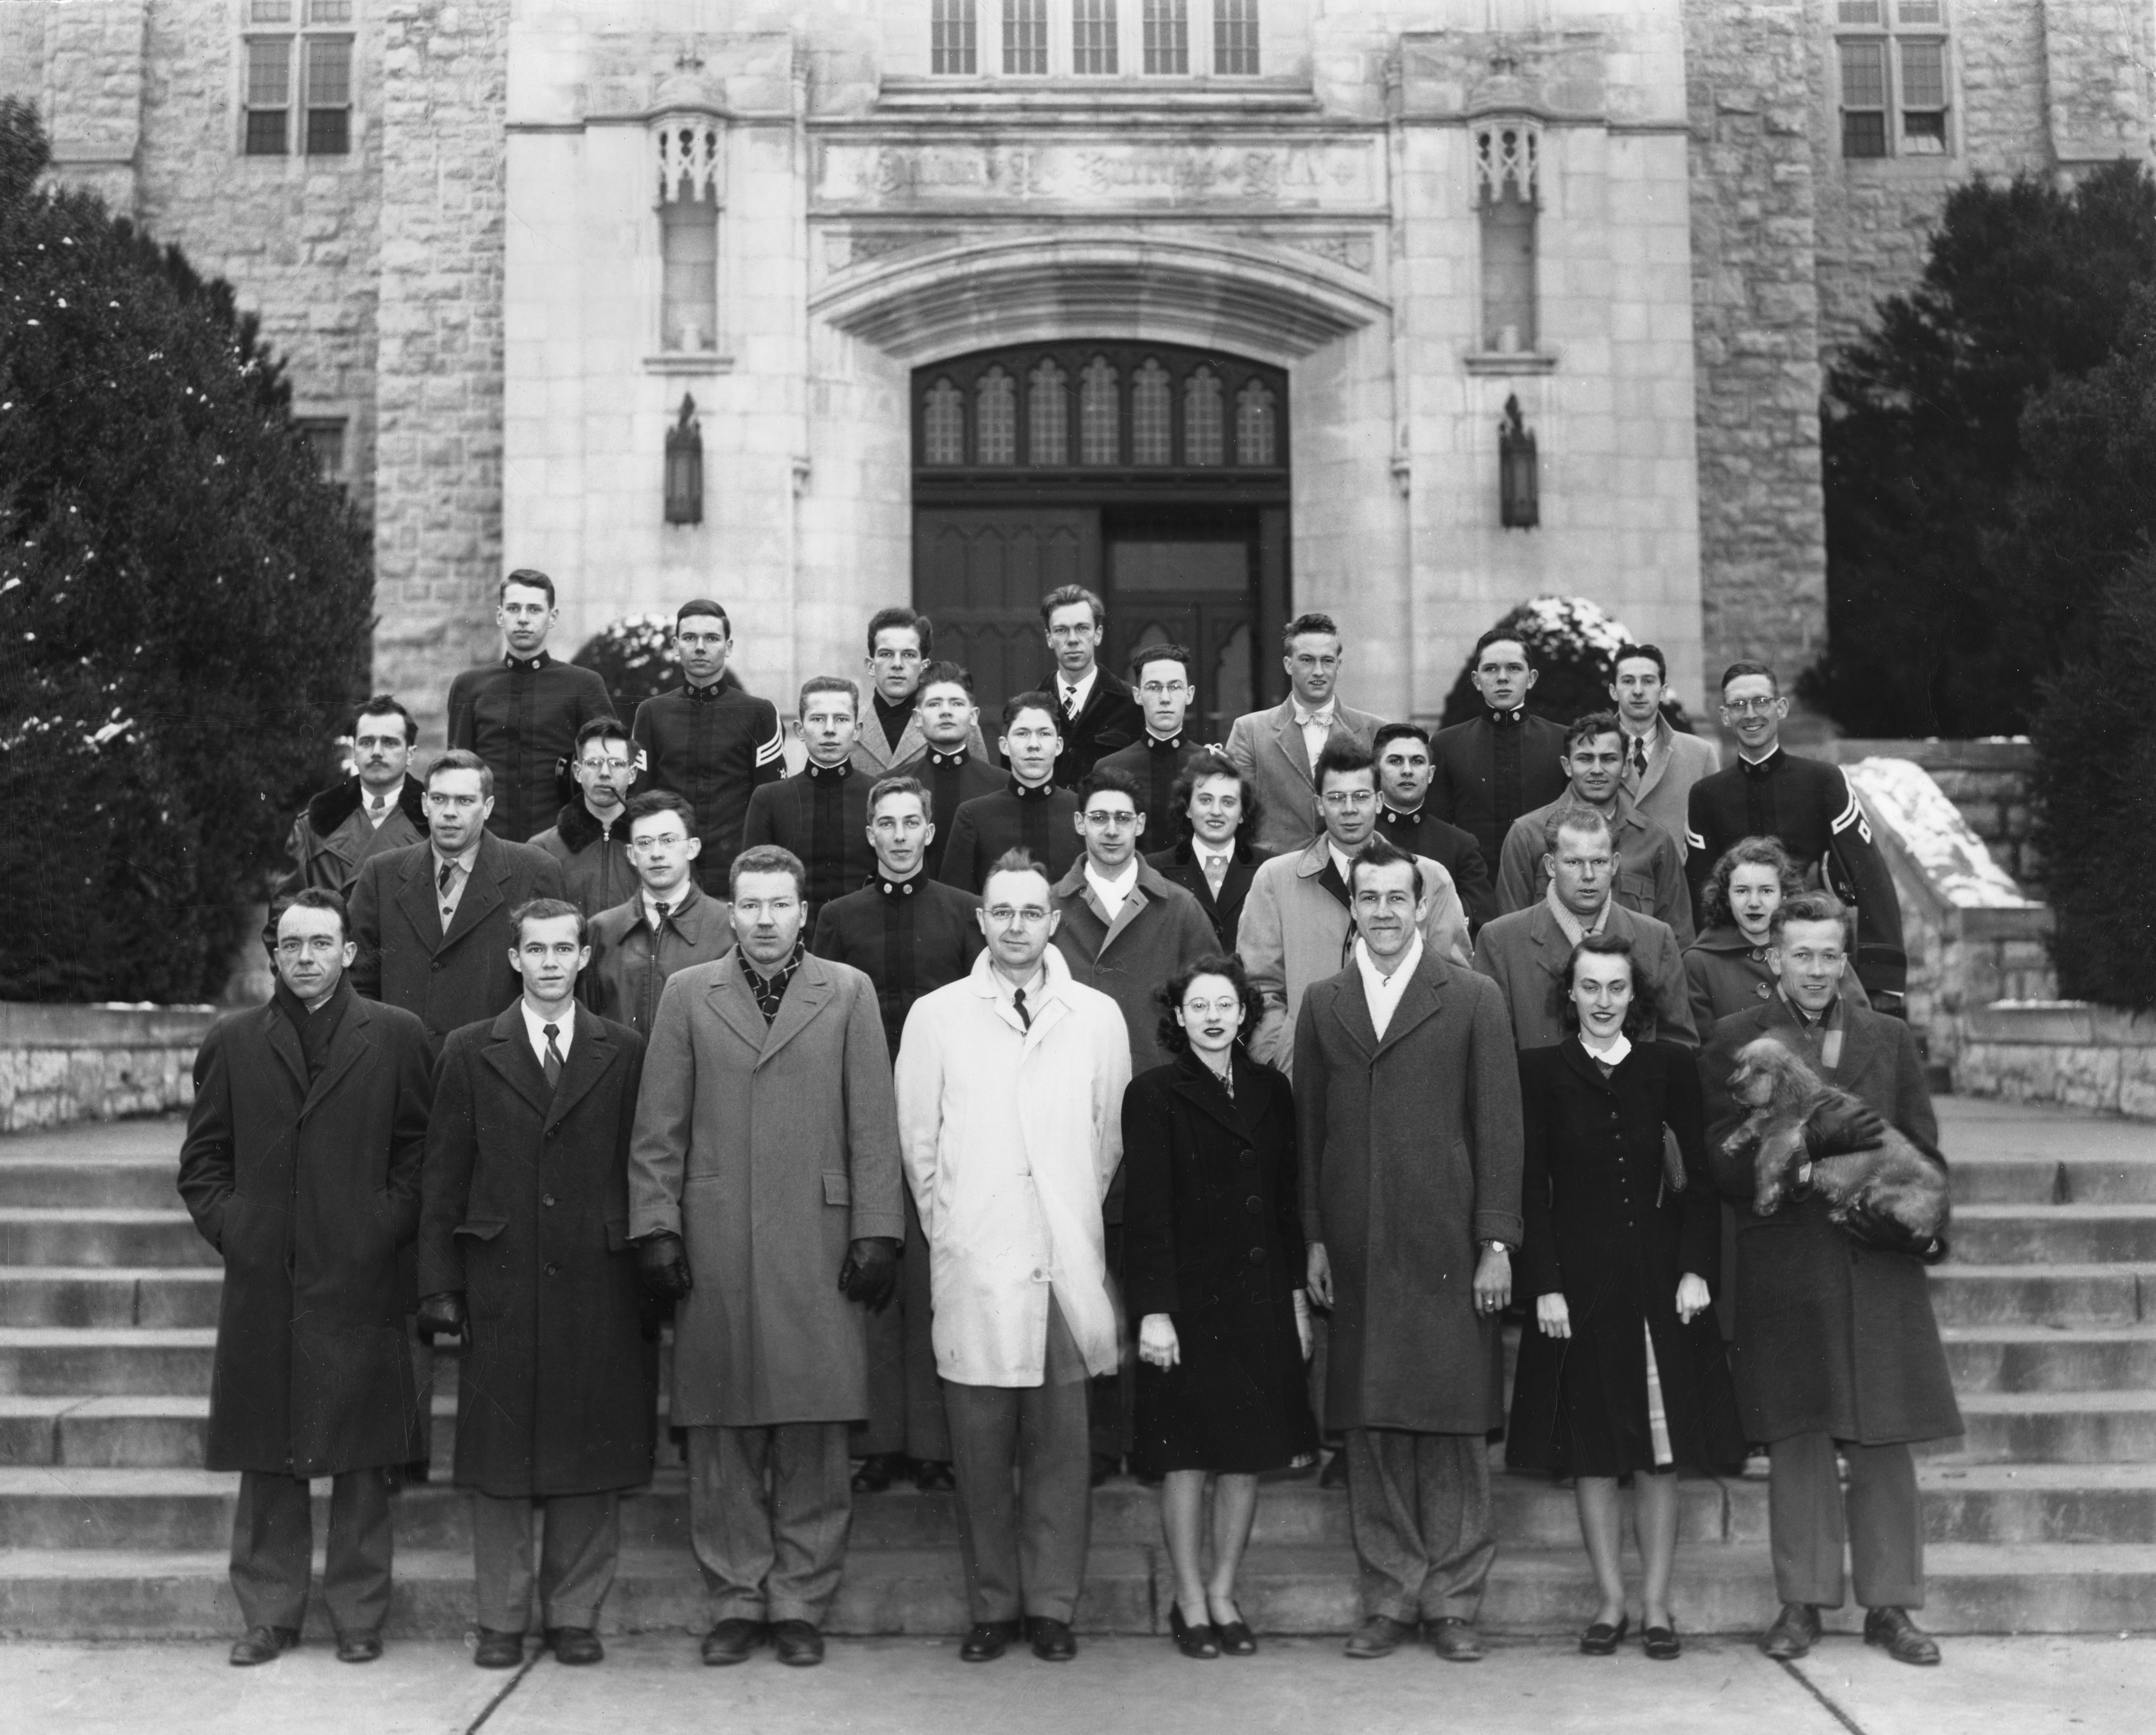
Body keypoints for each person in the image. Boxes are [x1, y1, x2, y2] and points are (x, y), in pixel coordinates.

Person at [627, 844, 905, 1669]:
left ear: (802, 912)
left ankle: (799, 1599)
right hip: (715, 1235)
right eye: (748, 905)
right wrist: (656, 1227)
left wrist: (877, 1228)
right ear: (730, 911)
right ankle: (738, 1596)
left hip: (819, 1237)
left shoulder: (847, 992)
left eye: (778, 904)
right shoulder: (687, 995)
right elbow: (657, 1126)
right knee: (720, 1428)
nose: (762, 920)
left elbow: (873, 1122)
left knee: (814, 1425)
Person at [1700, 893, 1960, 1670]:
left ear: (1843, 957)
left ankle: (1891, 1608)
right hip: (1785, 1263)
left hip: (1873, 1263)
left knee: (1882, 1437)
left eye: (1827, 954)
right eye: (1800, 954)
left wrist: (1912, 1217)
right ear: (1772, 959)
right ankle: (1800, 1602)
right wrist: (1796, 1161)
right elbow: (1718, 1157)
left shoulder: (1886, 1037)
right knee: (1798, 1437)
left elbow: (1924, 1152)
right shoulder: (1732, 1040)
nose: (1815, 969)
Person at [176, 888, 433, 1667]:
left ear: (349, 952)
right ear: (273, 953)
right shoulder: (233, 1041)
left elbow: (421, 1153)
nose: (308, 958)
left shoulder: (396, 1036)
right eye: (292, 945)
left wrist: (379, 1225)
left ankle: (358, 1613)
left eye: (323, 943)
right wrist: (241, 1231)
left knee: (360, 1457)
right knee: (268, 1453)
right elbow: (203, 1163)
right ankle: (269, 1612)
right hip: (268, 1281)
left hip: (362, 1278)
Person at [893, 851, 1132, 1665]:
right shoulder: (936, 1016)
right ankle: (993, 1605)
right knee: (982, 1455)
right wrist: (962, 1228)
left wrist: (1061, 1220)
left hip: (1066, 1266)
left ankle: (1053, 1607)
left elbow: (1106, 1143)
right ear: (980, 920)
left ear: (1054, 919)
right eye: (1002, 913)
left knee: (1061, 1455)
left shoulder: (1096, 1017)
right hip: (979, 1265)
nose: (1017, 928)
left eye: (1032, 913)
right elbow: (920, 1150)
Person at [1295, 837, 1523, 1663]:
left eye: (1398, 898)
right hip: (1358, 1246)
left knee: (1453, 1424)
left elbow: (1499, 1128)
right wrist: (1314, 1237)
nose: (1384, 912)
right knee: (1372, 1424)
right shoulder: (1324, 1003)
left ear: (1421, 906)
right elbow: (1310, 1132)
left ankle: (1453, 1600)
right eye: (1369, 899)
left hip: (1446, 1243)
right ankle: (1390, 1596)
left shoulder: (1471, 998)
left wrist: (1496, 1241)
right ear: (1350, 907)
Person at [415, 899, 651, 1670]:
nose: (550, 963)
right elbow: (443, 1178)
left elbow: (644, 1165)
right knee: (501, 1461)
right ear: (514, 959)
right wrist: (440, 1286)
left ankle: (575, 1615)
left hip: (598, 1276)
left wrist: (648, 1260)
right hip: (502, 1277)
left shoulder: (625, 1049)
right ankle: (500, 1621)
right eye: (535, 950)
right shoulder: (467, 1050)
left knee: (589, 1451)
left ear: (585, 958)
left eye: (564, 950)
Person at [1505, 934, 1743, 1661]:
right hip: (1578, 1290)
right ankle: (1609, 1601)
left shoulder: (1670, 1066)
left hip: (1659, 1287)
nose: (1603, 1001)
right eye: (1590, 987)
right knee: (1592, 1452)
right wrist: (1543, 1284)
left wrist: (1696, 1269)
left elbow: (1699, 1179)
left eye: (1616, 988)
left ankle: (1656, 1606)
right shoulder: (1540, 1071)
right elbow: (1530, 1193)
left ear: (1632, 999)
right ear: (1569, 995)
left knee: (1658, 1454)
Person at [1125, 954, 1318, 1659]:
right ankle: (1187, 1598)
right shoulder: (1152, 1094)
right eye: (1198, 1006)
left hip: (1259, 1302)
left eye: (1225, 1005)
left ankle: (1224, 1593)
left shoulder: (1272, 1089)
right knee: (1187, 1460)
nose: (1212, 1017)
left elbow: (1285, 1205)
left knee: (1245, 1457)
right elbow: (1146, 1213)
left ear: (1244, 1014)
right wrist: (1152, 1311)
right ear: (1179, 1017)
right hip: (1186, 1308)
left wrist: (1295, 1299)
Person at [811, 776, 983, 1497]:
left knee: (936, 1284)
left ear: (931, 831)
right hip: (862, 1117)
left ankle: (936, 1446)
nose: (902, 835)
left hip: (950, 1123)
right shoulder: (839, 918)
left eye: (914, 822)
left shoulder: (965, 914)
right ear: (870, 835)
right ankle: (880, 1444)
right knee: (873, 1287)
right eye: (888, 823)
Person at [1051, 763, 1219, 1481]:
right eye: (1099, 819)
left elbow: (1216, 999)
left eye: (1125, 818)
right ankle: (1088, 1443)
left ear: (1142, 826)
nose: (1112, 830)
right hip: (1063, 1124)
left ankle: (1145, 1440)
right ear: (1080, 825)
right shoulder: (1051, 908)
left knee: (1146, 1275)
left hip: (1156, 1124)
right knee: (1079, 1283)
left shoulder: (1176, 907)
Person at [1684, 661, 1907, 1011]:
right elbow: (1700, 888)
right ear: (1725, 716)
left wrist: (1883, 978)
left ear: (1781, 707)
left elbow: (1869, 872)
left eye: (1761, 701)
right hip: (1735, 963)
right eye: (1739, 705)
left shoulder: (1823, 781)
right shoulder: (1706, 794)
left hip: (1812, 952)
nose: (1751, 714)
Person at [1238, 741, 1471, 1076]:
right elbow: (1258, 986)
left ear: (1379, 800)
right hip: (1305, 1076)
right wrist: (1281, 1058)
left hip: (1410, 1074)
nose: (1349, 809)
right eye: (1336, 798)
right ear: (1319, 805)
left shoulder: (1430, 877)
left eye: (1361, 796)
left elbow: (1455, 983)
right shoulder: (1275, 879)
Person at [348, 750, 568, 1049]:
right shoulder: (381, 873)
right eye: (439, 799)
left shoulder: (534, 871)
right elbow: (358, 982)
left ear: (488, 807)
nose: (450, 812)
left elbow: (554, 979)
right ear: (425, 804)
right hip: (407, 1068)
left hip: (495, 1066)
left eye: (465, 801)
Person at [1472, 809, 1695, 1052]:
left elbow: (1679, 1048)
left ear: (1615, 865)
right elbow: (1493, 1054)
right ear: (1550, 865)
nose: (1588, 876)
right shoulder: (1502, 941)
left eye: (1599, 862)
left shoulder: (1656, 938)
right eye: (1574, 863)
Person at [1495, 711, 1694, 947]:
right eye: (1586, 759)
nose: (1597, 769)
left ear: (1627, 766)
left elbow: (1678, 939)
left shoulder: (1655, 840)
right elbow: (1509, 936)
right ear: (1567, 766)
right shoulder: (1527, 835)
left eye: (1609, 759)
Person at [631, 598, 786, 898]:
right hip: (669, 876)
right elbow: (641, 800)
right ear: (676, 645)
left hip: (735, 876)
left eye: (712, 638)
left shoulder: (759, 713)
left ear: (728, 647)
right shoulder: (652, 712)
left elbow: (771, 801)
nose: (700, 647)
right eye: (690, 638)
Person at [446, 569, 616, 843]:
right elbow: (457, 772)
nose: (523, 619)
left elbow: (608, 765)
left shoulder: (584, 685)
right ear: (501, 616)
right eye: (514, 609)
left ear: (553, 617)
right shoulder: (469, 686)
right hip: (488, 842)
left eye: (535, 609)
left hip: (562, 843)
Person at [1224, 613, 1382, 856]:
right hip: (1278, 867)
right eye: (1307, 660)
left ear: (1339, 665)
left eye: (1327, 661)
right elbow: (1237, 809)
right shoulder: (1250, 730)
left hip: (1356, 866)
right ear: (1289, 665)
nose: (1318, 671)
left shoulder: (1375, 730)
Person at [583, 792, 736, 1037]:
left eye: (668, 841)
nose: (656, 853)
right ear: (632, 855)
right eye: (645, 843)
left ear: (693, 848)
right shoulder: (602, 931)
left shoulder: (728, 928)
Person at [1686, 835, 1872, 1035]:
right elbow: (1703, 1048)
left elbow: (1863, 1029)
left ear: (1783, 895)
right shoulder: (1700, 962)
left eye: (1766, 891)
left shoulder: (1822, 946)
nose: (1754, 902)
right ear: (1727, 897)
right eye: (1742, 891)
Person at [741, 677, 876, 926]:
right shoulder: (770, 798)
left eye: (842, 719)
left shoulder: (878, 796)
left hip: (865, 937)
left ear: (857, 731)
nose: (829, 729)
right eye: (817, 719)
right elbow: (752, 882)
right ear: (800, 730)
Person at [1428, 628, 1570, 865]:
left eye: (1514, 668)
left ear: (1532, 678)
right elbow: (1438, 832)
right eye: (1491, 669)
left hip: (1545, 886)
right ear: (1476, 680)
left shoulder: (1562, 741)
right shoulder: (1447, 744)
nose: (1502, 677)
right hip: (1476, 888)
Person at [280, 695, 428, 899]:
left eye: (390, 743)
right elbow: (286, 913)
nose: (377, 752)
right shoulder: (311, 828)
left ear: (410, 755)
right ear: (354, 753)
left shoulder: (436, 825)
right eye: (367, 743)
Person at [937, 691, 1083, 893]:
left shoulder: (1082, 811)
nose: (1034, 745)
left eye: (1045, 734)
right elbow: (955, 904)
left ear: (1059, 746)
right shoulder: (974, 816)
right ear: (1004, 746)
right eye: (1022, 733)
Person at [1370, 722, 1497, 930]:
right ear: (1376, 772)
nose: (1408, 771)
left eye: (1417, 761)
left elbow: (1482, 923)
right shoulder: (1362, 837)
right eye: (1395, 761)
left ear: (1430, 774)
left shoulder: (1460, 845)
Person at [1147, 752, 1270, 952]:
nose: (1216, 811)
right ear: (1187, 808)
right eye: (1205, 800)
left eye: (1228, 802)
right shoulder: (1154, 869)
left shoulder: (1270, 868)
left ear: (1243, 814)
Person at [893, 659, 1003, 881]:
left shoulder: (1001, 786)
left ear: (973, 716)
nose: (946, 712)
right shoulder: (892, 784)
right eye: (934, 704)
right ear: (917, 718)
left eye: (956, 704)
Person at [851, 605, 991, 775]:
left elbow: (980, 785)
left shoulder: (959, 723)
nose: (897, 664)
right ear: (871, 666)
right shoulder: (848, 725)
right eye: (886, 654)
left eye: (909, 655)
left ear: (924, 667)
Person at [1608, 643, 1718, 857]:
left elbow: (1715, 832)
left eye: (1648, 681)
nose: (1638, 691)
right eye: (1628, 681)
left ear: (1663, 691)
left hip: (1676, 884)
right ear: (1614, 691)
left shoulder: (1700, 754)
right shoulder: (1591, 755)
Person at [1094, 642, 1207, 842]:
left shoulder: (1209, 766)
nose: (1165, 698)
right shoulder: (1110, 768)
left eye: (1175, 687)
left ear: (1189, 694)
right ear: (1138, 696)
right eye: (1154, 687)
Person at [529, 716, 639, 917]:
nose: (605, 773)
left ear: (632, 774)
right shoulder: (542, 849)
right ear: (578, 772)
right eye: (594, 763)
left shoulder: (654, 845)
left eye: (616, 764)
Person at [1041, 584, 1144, 787]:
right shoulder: (1032, 707)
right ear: (1049, 638)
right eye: (1061, 630)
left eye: (1082, 628)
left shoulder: (1131, 705)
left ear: (1098, 634)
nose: (1072, 640)